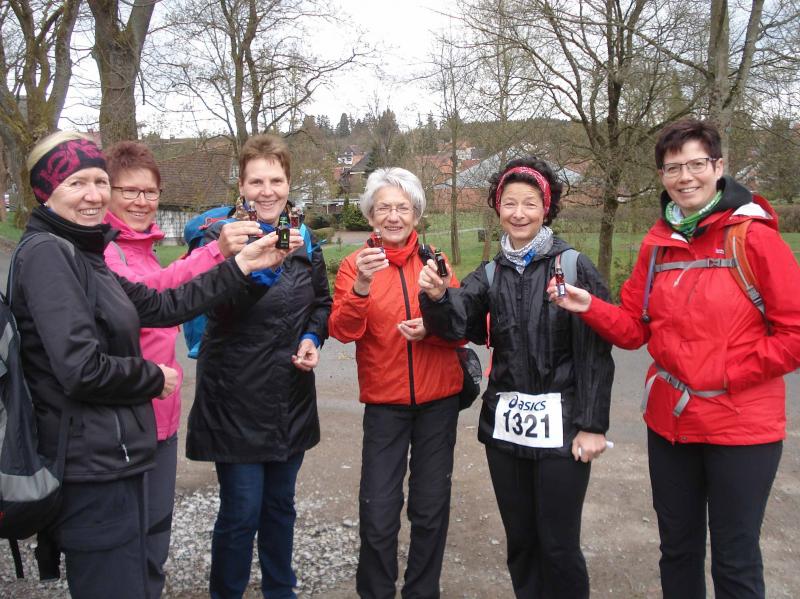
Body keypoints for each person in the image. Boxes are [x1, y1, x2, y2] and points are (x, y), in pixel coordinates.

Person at [12, 131, 300, 598]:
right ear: (45, 191)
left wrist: (241, 266)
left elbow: (161, 304)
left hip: (116, 450)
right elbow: (80, 368)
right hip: (88, 459)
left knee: (137, 568)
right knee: (113, 582)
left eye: (99, 181)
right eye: (76, 183)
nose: (93, 195)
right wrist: (152, 377)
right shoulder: (48, 254)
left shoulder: (84, 252)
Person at [550, 119, 800, 599]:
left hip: (741, 428)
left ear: (719, 167)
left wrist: (725, 372)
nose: (685, 177)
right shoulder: (658, 244)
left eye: (696, 164)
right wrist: (589, 306)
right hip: (671, 425)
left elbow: (793, 334)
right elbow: (633, 330)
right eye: (672, 168)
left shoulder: (754, 238)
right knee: (677, 550)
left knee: (735, 558)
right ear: (661, 176)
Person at [418, 157, 614, 599]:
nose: (519, 213)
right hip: (507, 430)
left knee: (559, 546)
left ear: (546, 207)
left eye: (530, 203)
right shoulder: (490, 273)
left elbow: (596, 352)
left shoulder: (574, 266)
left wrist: (592, 425)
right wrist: (436, 296)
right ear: (497, 207)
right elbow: (457, 323)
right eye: (509, 203)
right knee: (522, 544)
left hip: (564, 428)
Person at [102, 141, 263, 597]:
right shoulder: (106, 253)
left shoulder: (144, 248)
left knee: (154, 537)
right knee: (123, 545)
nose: (142, 202)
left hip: (161, 417)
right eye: (129, 191)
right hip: (123, 423)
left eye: (150, 192)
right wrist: (215, 254)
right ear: (106, 192)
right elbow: (151, 299)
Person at [186, 133, 332, 599]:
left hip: (289, 394)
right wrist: (248, 264)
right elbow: (213, 309)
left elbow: (321, 303)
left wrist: (312, 337)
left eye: (276, 180)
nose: (267, 191)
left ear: (288, 183)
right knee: (241, 511)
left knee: (280, 507)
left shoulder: (304, 238)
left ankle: (279, 589)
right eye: (256, 182)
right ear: (241, 187)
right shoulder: (219, 240)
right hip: (235, 397)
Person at [328, 167, 463, 599]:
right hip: (385, 403)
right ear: (371, 216)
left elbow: (462, 328)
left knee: (430, 508)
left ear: (416, 214)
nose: (393, 216)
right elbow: (342, 330)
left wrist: (433, 324)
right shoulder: (355, 265)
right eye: (383, 208)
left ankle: (423, 592)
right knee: (378, 511)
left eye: (402, 208)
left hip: (438, 401)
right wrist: (362, 286)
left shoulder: (435, 260)